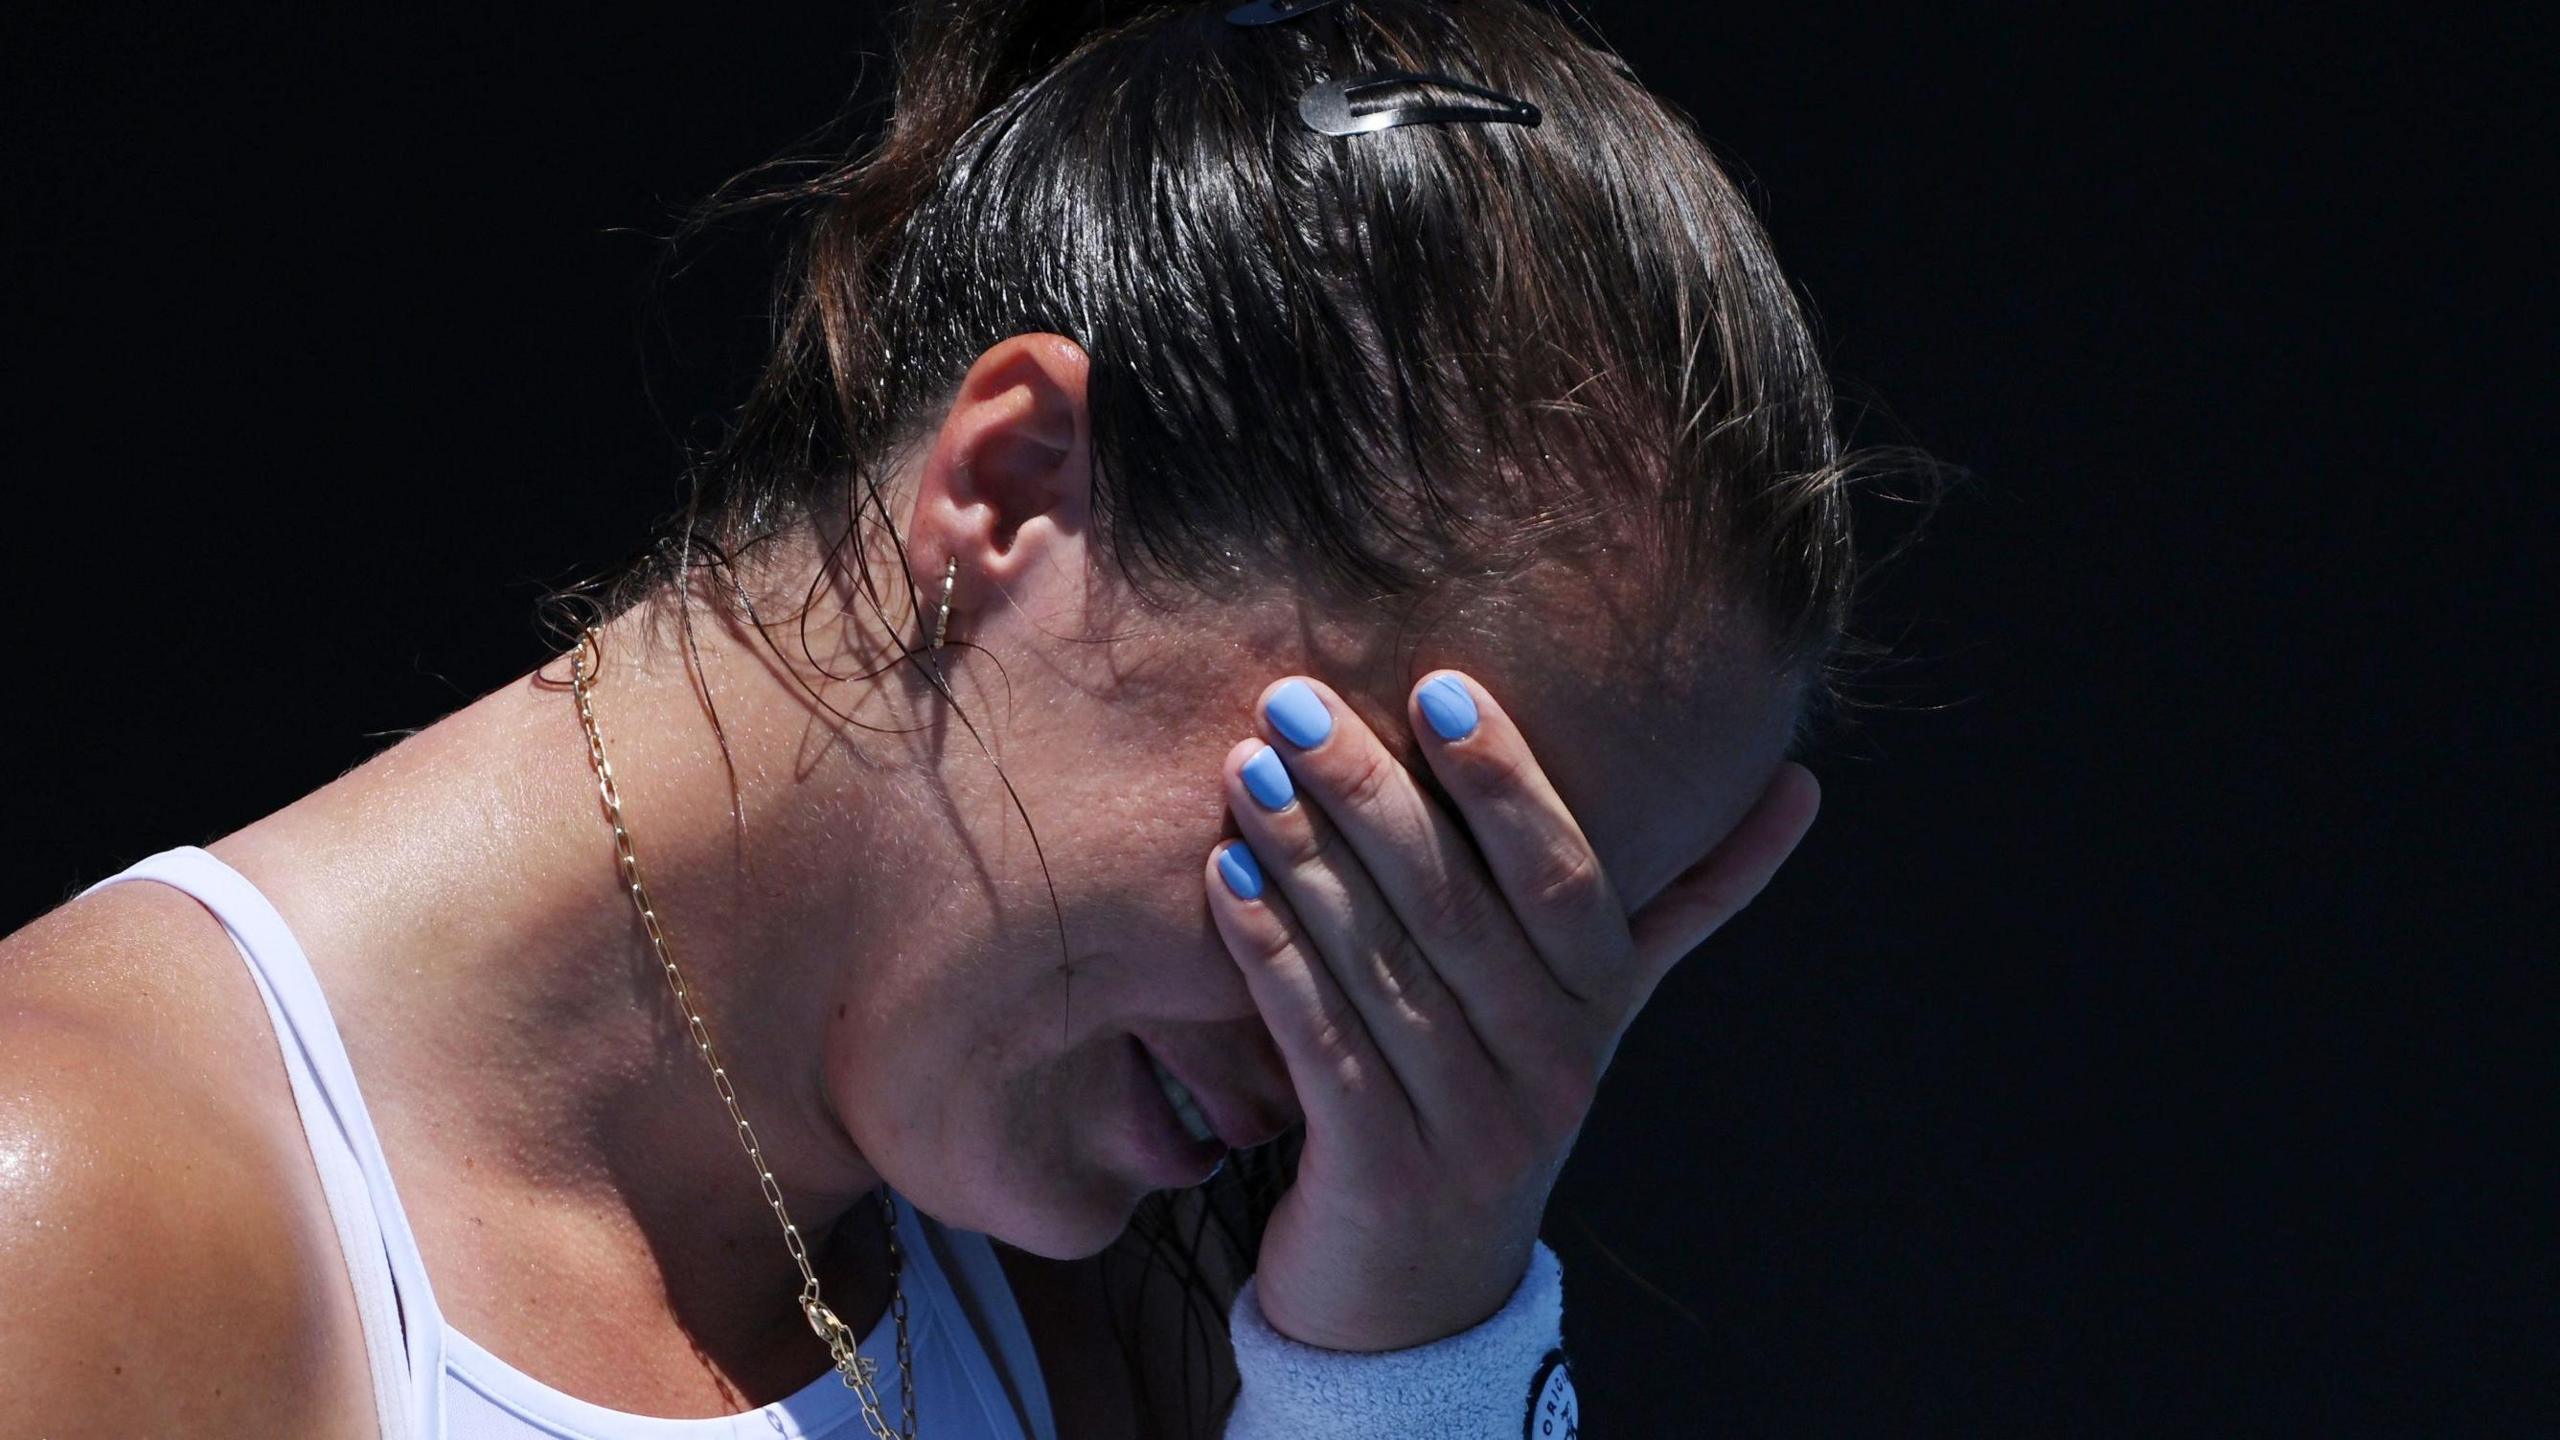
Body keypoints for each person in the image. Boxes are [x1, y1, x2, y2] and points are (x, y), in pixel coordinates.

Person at [0, 0, 1885, 1434]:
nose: (1396, 1068)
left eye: (1532, 964)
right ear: (1008, 489)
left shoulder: (1191, 1304)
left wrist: (1415, 1351)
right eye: (1405, 862)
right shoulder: (69, 1221)